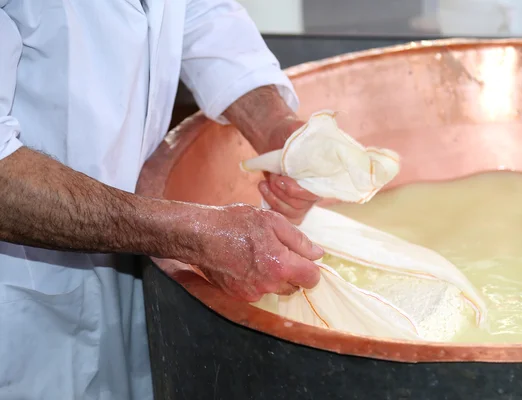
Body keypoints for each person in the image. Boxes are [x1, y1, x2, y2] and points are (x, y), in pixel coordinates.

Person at [0, 1, 323, 398]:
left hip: (127, 249)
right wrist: (193, 235)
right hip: (19, 303)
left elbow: (198, 12)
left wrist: (275, 128)